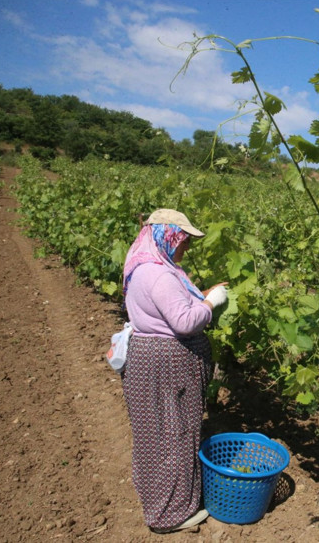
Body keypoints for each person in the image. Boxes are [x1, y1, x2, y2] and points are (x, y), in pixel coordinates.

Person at [120, 209, 229, 534]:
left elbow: (169, 306)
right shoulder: (160, 275)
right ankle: (171, 514)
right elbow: (184, 321)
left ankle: (157, 499)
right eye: (184, 240)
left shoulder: (143, 266)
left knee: (154, 434)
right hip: (168, 365)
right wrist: (211, 303)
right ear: (168, 237)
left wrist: (202, 295)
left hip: (149, 360)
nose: (187, 246)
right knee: (175, 434)